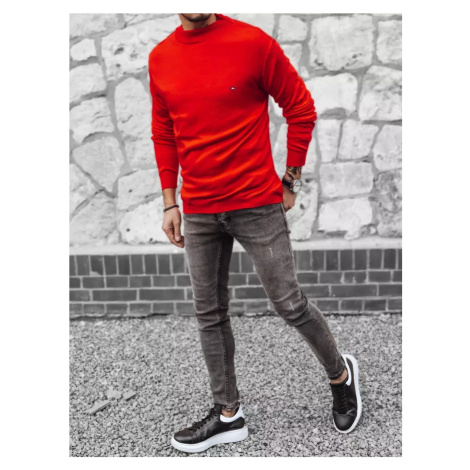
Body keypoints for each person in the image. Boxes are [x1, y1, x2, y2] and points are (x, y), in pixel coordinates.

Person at [148, 13, 362, 453]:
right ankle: (228, 415)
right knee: (209, 313)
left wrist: (292, 180)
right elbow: (164, 131)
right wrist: (170, 202)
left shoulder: (252, 43)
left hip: (256, 204)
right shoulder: (161, 58)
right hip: (200, 209)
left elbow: (300, 108)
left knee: (289, 303)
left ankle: (341, 375)